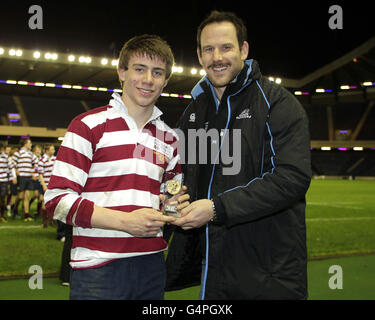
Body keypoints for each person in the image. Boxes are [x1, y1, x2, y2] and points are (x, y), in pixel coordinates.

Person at [166, 11, 312, 299]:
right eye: (208, 49)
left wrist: (217, 208)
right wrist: (171, 199)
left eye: (226, 47)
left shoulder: (277, 102)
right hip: (213, 267)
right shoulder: (194, 112)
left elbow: (291, 178)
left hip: (268, 272)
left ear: (244, 50)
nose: (217, 57)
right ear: (199, 55)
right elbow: (182, 176)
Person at [44, 34, 189, 300]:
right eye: (139, 69)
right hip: (98, 268)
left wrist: (175, 206)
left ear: (166, 80)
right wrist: (125, 221)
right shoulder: (87, 125)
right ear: (121, 72)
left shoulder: (170, 138)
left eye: (157, 72)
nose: (148, 80)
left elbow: (170, 199)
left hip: (152, 266)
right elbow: (57, 201)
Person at [12, 138, 38, 221]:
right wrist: (15, 172)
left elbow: (36, 163)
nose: (31, 145)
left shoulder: (31, 154)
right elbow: (12, 164)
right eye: (30, 143)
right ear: (25, 144)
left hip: (29, 177)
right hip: (21, 177)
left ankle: (26, 215)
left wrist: (33, 173)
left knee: (27, 196)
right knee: (20, 196)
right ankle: (14, 209)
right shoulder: (18, 153)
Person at [38, 144, 56, 228]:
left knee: (52, 203)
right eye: (52, 149)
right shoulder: (42, 160)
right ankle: (44, 222)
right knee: (44, 203)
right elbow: (40, 174)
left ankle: (51, 220)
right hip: (45, 184)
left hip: (52, 184)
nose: (53, 151)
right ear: (47, 150)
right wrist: (44, 185)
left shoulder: (55, 159)